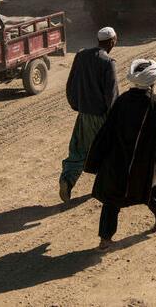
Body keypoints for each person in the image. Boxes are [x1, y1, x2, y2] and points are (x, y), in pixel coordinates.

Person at [85, 59, 156, 252]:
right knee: (150, 189)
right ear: (152, 82)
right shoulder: (155, 102)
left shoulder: (122, 100)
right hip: (142, 163)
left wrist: (96, 160)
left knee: (112, 200)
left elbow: (107, 131)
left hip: (116, 161)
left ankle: (105, 240)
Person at [59, 26, 119, 203]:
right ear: (112, 42)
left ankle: (67, 181)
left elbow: (70, 84)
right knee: (109, 152)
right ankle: (106, 186)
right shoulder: (108, 63)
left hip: (84, 114)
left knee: (78, 150)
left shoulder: (81, 56)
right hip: (101, 117)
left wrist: (76, 105)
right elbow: (112, 95)